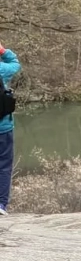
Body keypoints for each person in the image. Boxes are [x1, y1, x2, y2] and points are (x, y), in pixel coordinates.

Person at [0, 45, 22, 215]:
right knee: (4, 167)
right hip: (3, 128)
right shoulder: (2, 69)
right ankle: (1, 205)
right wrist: (3, 51)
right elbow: (15, 63)